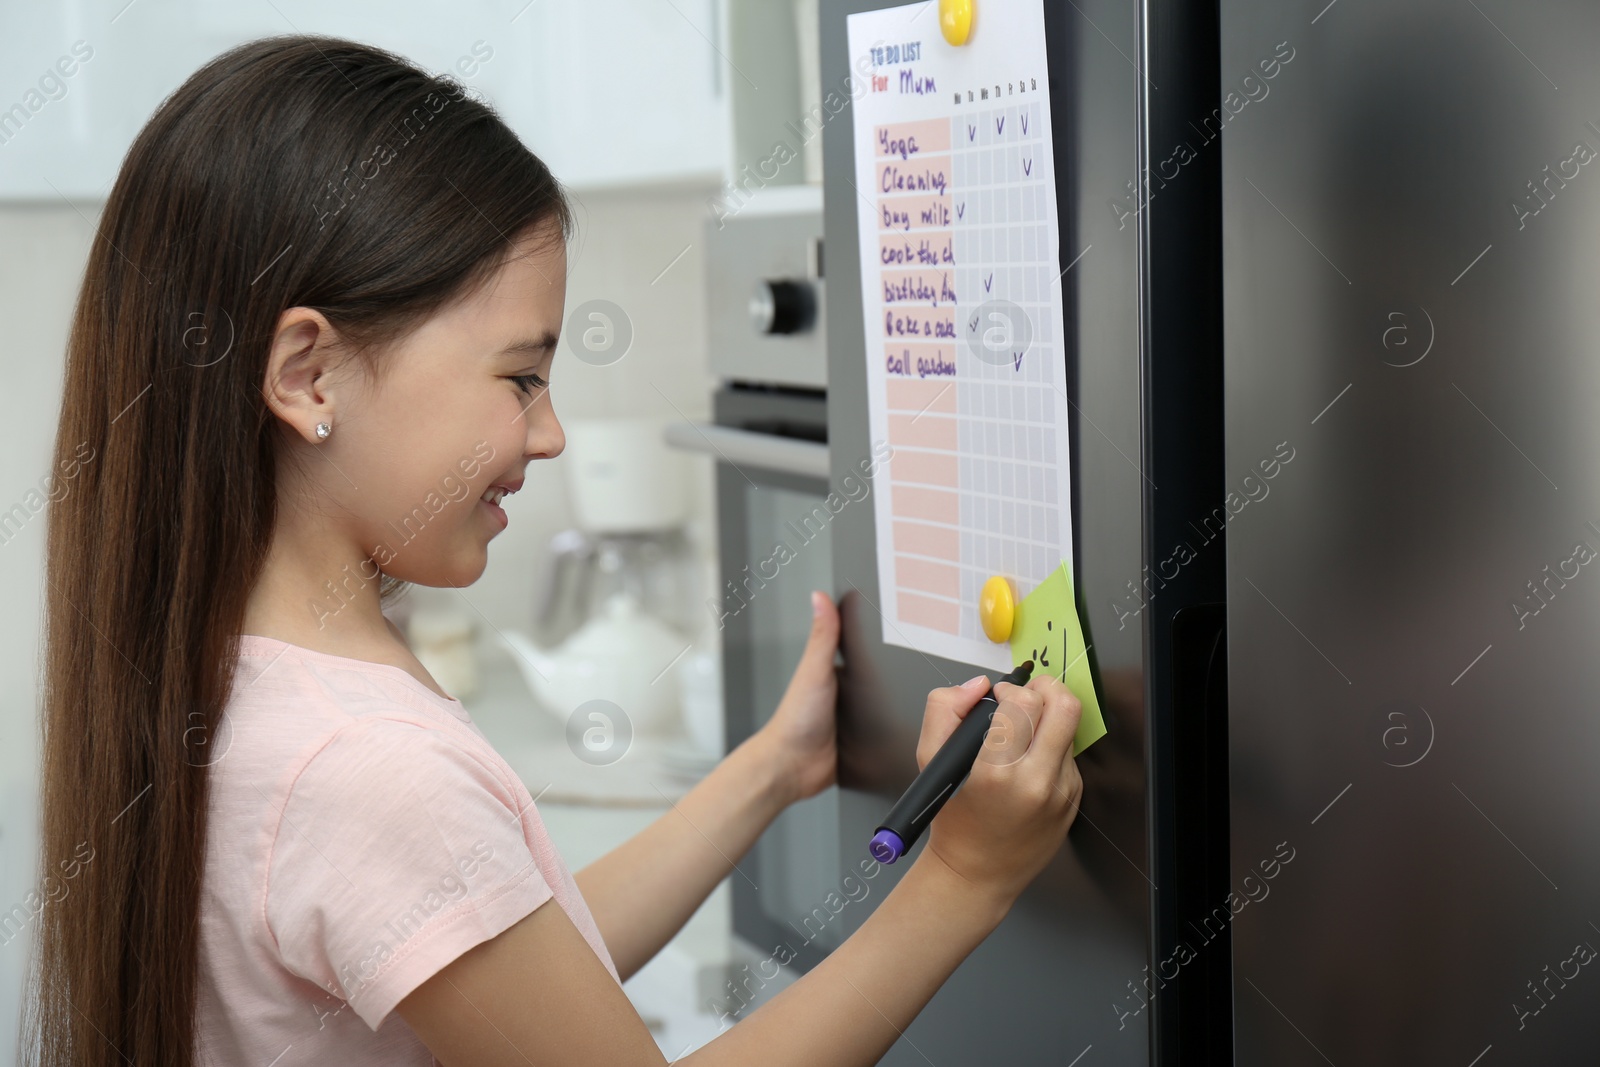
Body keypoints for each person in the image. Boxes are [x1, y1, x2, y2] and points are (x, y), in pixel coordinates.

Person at [26, 35, 1085, 1067]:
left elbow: (504, 957)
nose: (549, 431)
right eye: (520, 377)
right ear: (309, 374)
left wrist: (770, 769)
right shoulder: (366, 767)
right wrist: (967, 876)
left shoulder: (247, 676)